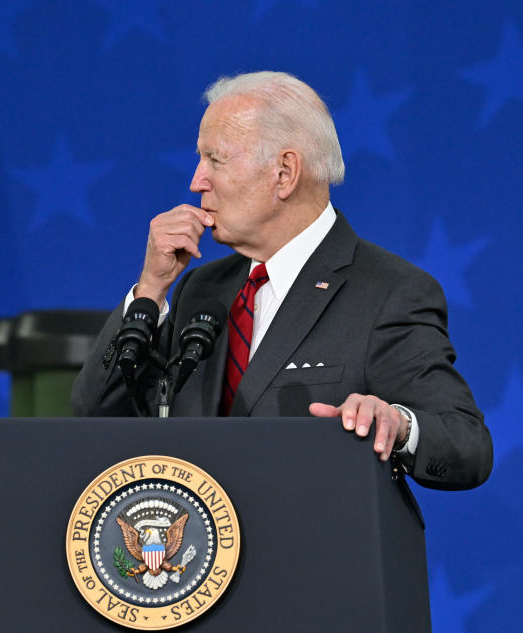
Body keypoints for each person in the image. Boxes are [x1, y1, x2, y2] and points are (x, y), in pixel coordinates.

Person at [71, 71, 492, 490]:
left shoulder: (388, 292)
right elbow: (95, 414)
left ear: (285, 172)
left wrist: (398, 425)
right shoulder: (200, 289)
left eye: (215, 159)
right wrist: (151, 288)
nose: (196, 181)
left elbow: (467, 445)